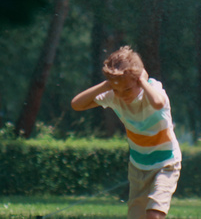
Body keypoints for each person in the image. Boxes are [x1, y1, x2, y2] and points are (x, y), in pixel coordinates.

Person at [71, 46, 182, 219]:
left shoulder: (152, 90)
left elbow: (159, 103)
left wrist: (143, 81)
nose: (122, 95)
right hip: (138, 166)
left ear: (138, 80)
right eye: (117, 90)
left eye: (128, 89)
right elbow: (77, 104)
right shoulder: (114, 95)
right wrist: (108, 84)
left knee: (154, 214)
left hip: (166, 163)